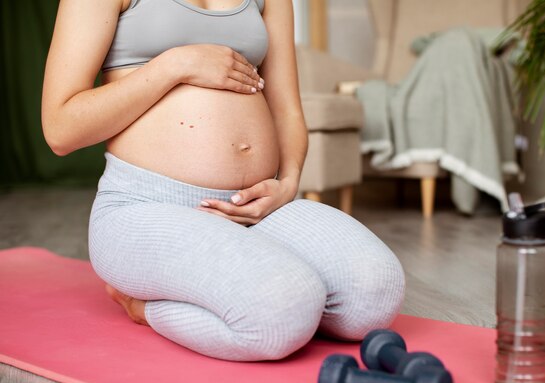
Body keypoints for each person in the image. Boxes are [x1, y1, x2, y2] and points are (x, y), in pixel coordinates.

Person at [41, 0, 405, 361]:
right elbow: (61, 128)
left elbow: (287, 108)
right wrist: (175, 65)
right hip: (145, 206)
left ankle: (251, 281)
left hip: (254, 210)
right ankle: (142, 308)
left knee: (374, 294)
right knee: (286, 309)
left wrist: (288, 181)